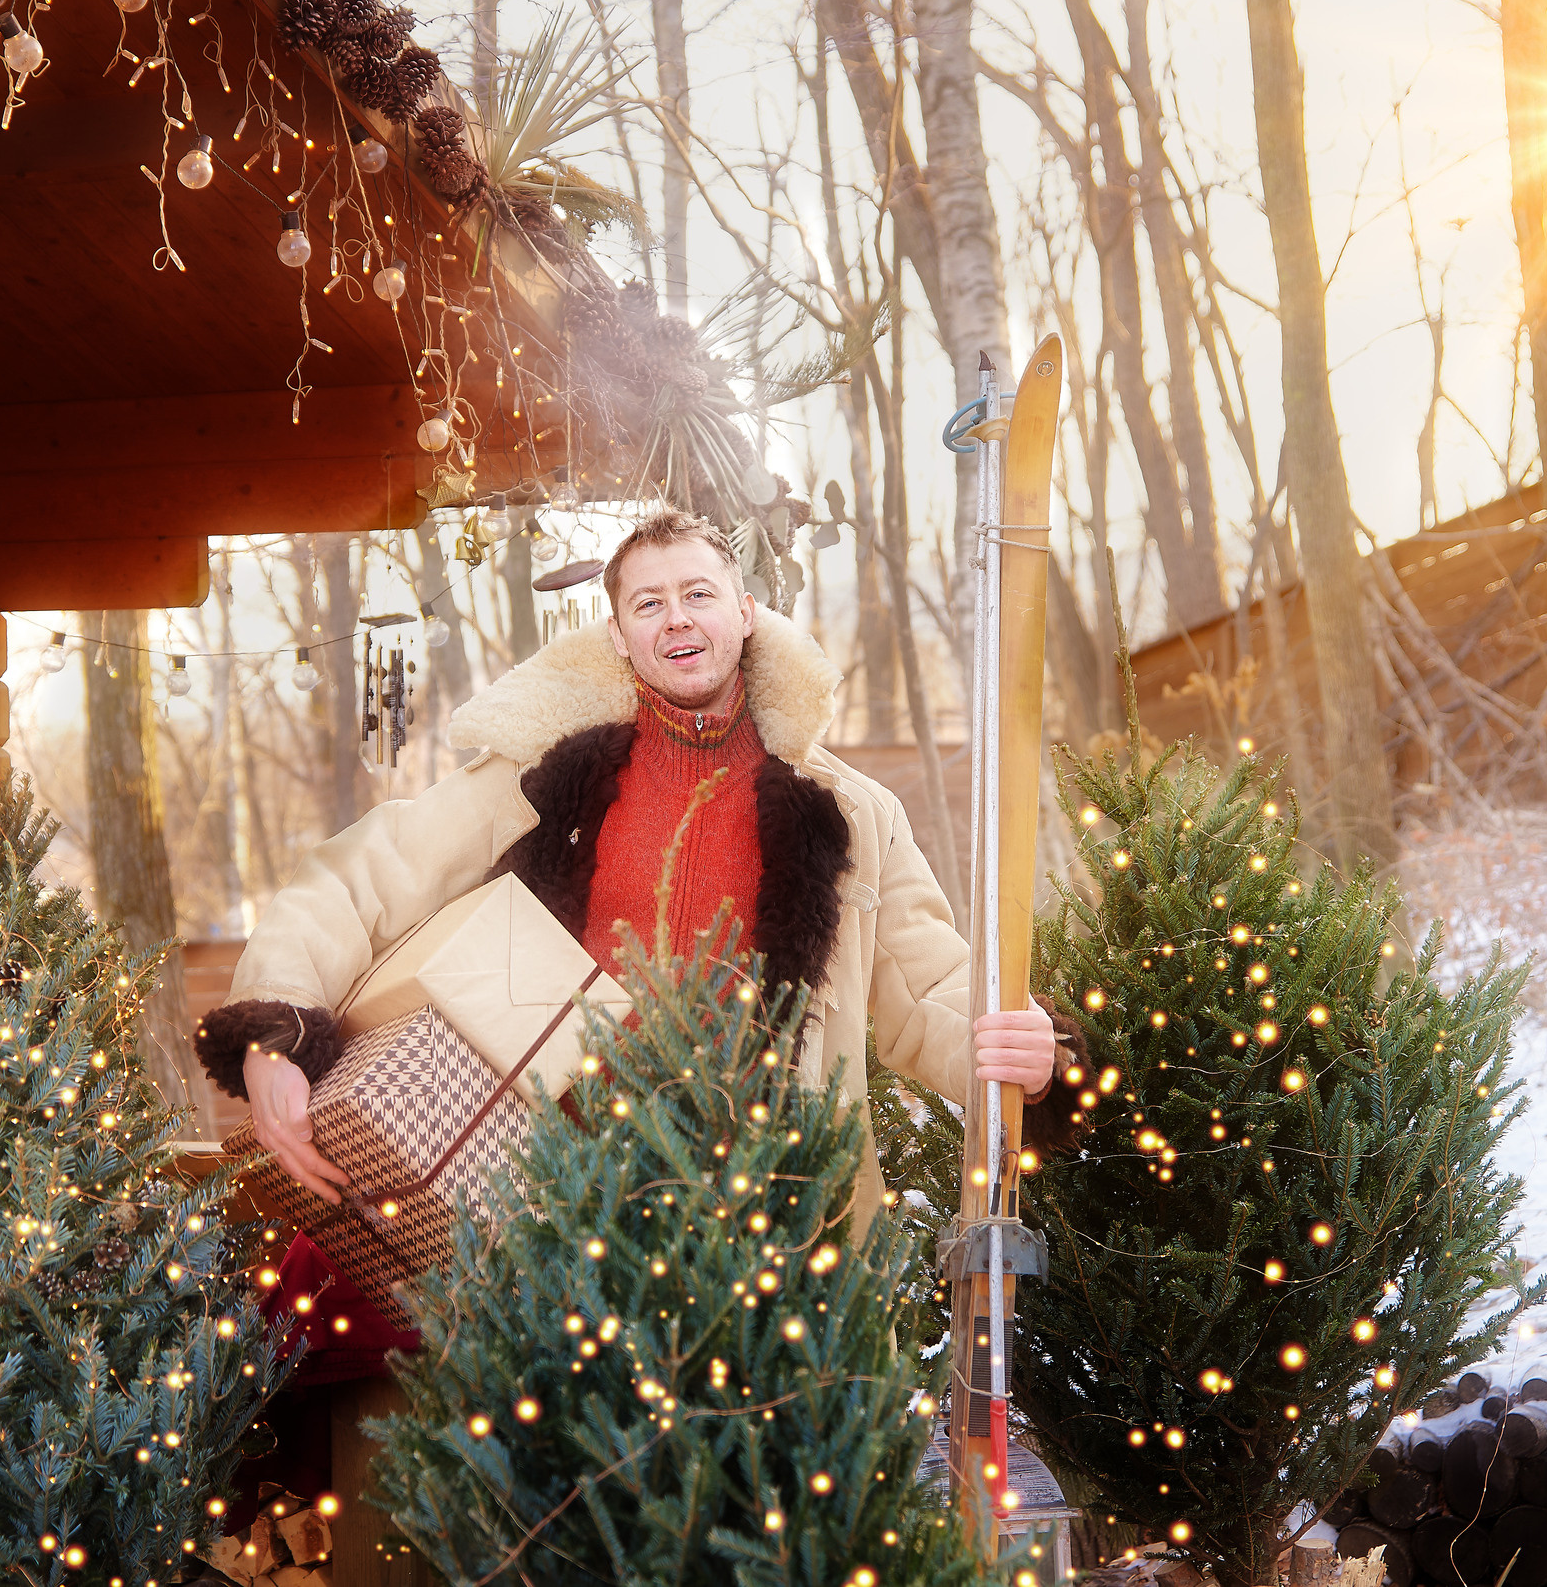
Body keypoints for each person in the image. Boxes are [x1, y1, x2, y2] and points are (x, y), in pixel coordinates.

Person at [195, 508, 1086, 1210]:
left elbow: (932, 993)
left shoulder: (849, 813)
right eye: (648, 603)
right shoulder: (543, 780)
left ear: (745, 613)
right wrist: (273, 1038)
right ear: (619, 634)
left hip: (777, 1218)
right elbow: (358, 877)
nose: (677, 617)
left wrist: (1030, 1053)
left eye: (698, 593)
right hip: (561, 1206)